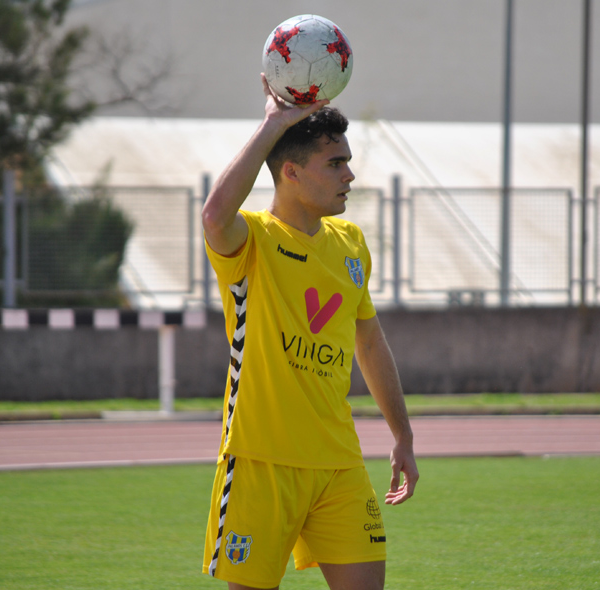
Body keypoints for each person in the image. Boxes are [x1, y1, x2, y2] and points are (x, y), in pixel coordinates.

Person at [201, 74, 419, 590]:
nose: (350, 174)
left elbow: (369, 342)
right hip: (259, 463)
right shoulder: (251, 240)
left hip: (338, 463)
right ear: (292, 172)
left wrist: (403, 436)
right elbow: (213, 216)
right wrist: (273, 124)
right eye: (336, 163)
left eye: (348, 160)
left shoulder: (351, 243)